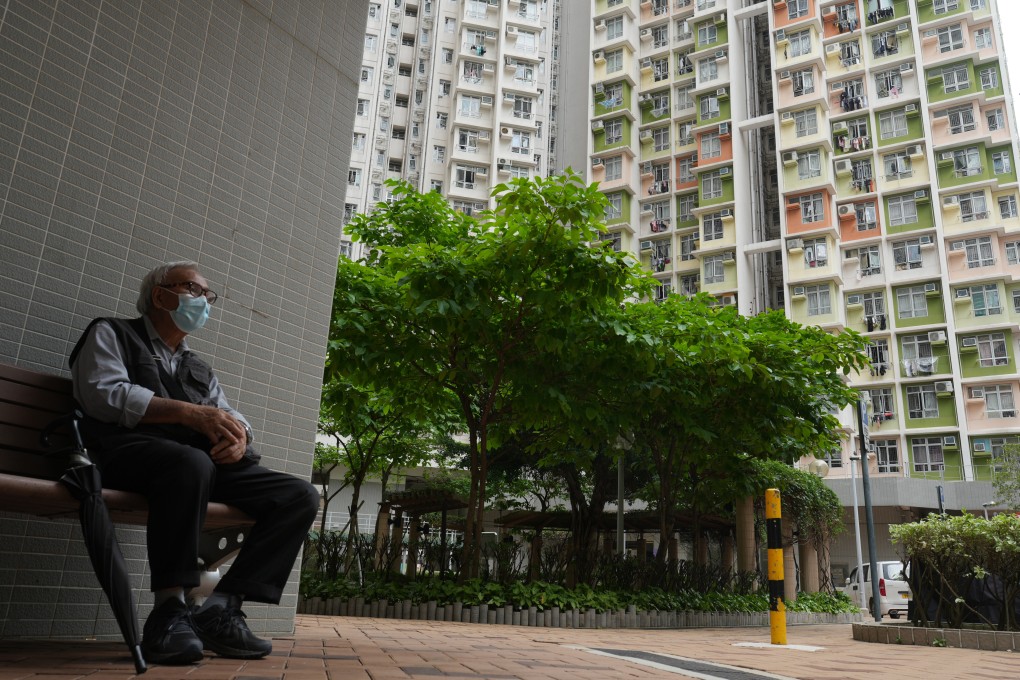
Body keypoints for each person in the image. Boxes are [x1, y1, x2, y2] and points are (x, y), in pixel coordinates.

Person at [70, 261, 319, 665]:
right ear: (160, 295)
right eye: (194, 289)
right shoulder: (111, 333)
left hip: (194, 466)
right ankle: (169, 611)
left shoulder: (197, 364)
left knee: (298, 496)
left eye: (208, 295)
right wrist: (188, 413)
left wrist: (240, 437)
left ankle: (220, 608)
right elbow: (103, 393)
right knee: (190, 464)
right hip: (126, 454)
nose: (203, 301)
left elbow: (226, 411)